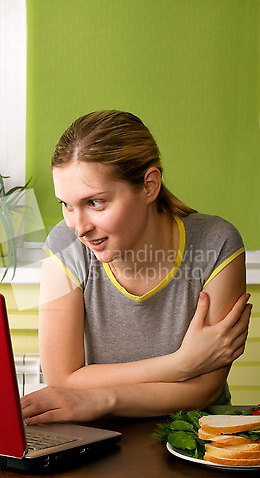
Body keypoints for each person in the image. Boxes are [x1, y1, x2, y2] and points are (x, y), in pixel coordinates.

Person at [21, 110, 252, 424]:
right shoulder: (63, 244)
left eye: (95, 202)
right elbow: (61, 378)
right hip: (100, 440)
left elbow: (204, 390)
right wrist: (181, 364)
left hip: (196, 441)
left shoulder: (216, 243)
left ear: (149, 186)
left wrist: (103, 397)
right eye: (66, 204)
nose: (79, 227)